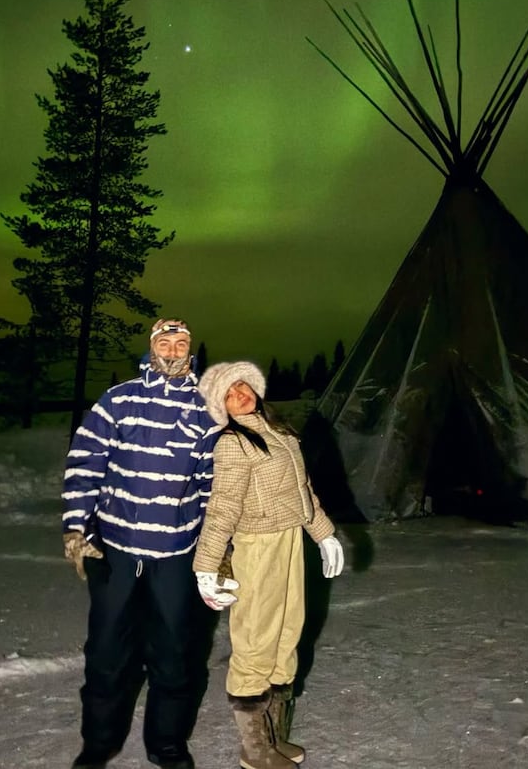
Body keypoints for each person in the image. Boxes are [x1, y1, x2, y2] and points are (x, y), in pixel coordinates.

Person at [62, 318, 219, 769]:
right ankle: (98, 744)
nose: (173, 349)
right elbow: (85, 459)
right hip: (118, 549)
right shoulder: (120, 399)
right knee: (108, 651)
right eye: (165, 342)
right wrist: (76, 525)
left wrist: (217, 547)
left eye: (182, 342)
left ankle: (167, 746)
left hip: (175, 554)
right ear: (152, 348)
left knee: (174, 654)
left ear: (192, 350)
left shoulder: (207, 408)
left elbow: (214, 485)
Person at [192, 361, 344, 769]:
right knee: (256, 641)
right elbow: (222, 507)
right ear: (219, 406)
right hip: (257, 547)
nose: (240, 394)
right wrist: (206, 565)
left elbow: (302, 491)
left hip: (291, 539)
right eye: (229, 393)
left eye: (242, 386)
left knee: (286, 636)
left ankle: (274, 737)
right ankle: (253, 750)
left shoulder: (277, 431)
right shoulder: (232, 443)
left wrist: (323, 534)